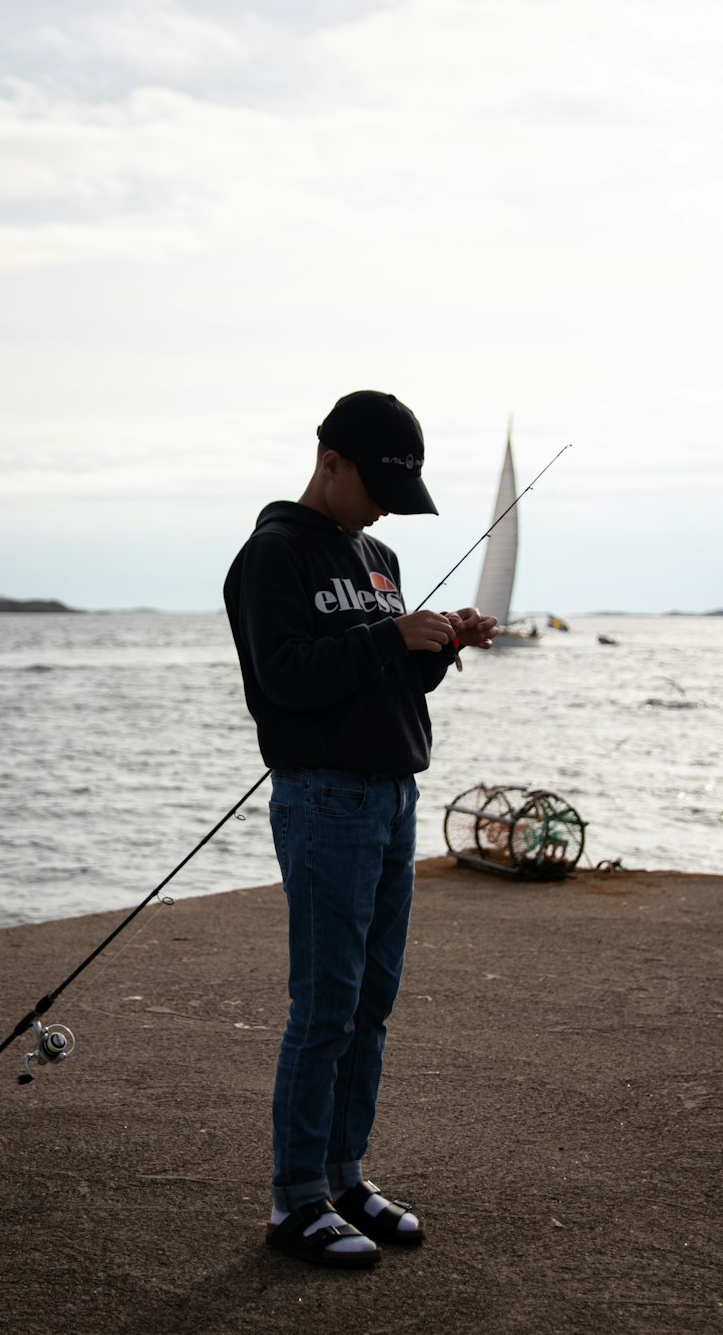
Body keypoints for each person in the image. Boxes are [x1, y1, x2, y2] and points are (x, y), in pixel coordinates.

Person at [223, 390, 497, 1269]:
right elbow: (288, 677)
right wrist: (390, 638)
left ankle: (344, 1175)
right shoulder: (272, 556)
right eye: (375, 486)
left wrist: (440, 645)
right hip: (325, 799)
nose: (384, 509)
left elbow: (394, 685)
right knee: (326, 1004)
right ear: (328, 462)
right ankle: (294, 1197)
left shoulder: (377, 554)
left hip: (392, 796)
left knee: (371, 1002)